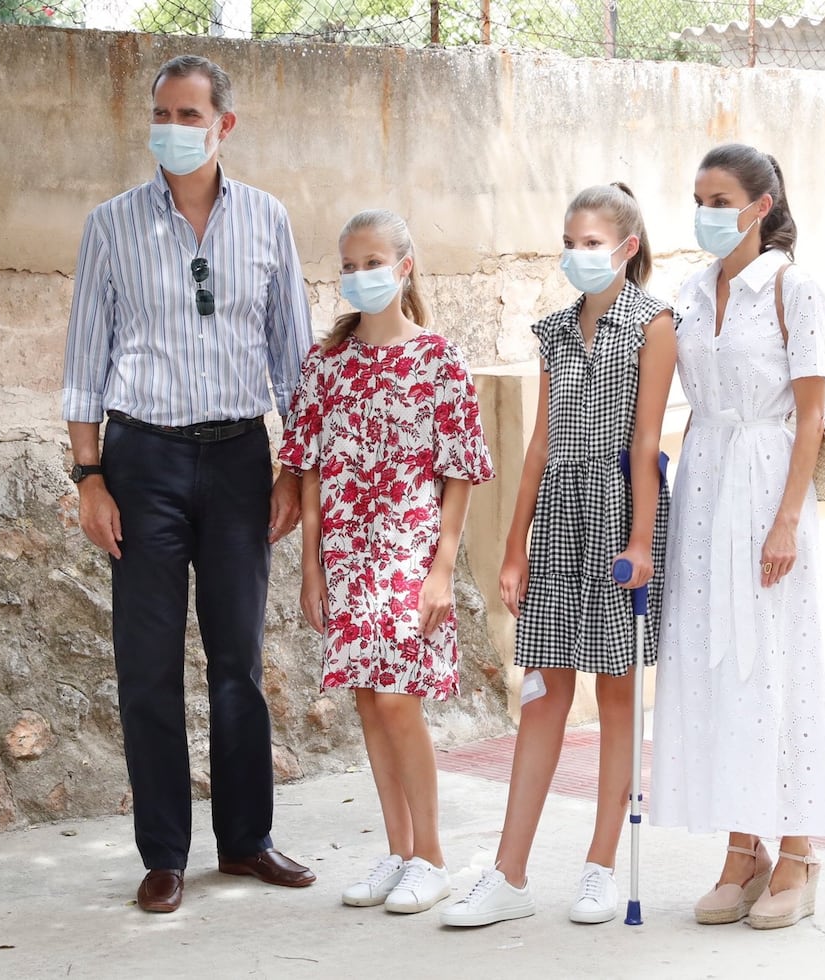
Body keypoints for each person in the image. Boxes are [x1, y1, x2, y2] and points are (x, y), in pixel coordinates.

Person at [61, 54, 317, 914]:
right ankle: (164, 853)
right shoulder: (110, 226)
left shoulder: (269, 221)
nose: (169, 126)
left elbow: (295, 359)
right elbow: (83, 363)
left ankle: (246, 842)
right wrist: (90, 477)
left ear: (223, 126)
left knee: (238, 659)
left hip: (242, 461)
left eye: (187, 113)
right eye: (160, 111)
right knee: (146, 665)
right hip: (142, 462)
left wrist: (294, 472)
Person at [440, 183, 676, 927]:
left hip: (616, 509)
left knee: (612, 693)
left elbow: (645, 442)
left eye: (592, 242)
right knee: (543, 691)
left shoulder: (655, 324)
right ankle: (508, 875)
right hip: (560, 516)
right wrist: (516, 547)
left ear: (627, 247)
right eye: (569, 242)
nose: (578, 255)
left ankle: (601, 866)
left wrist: (640, 542)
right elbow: (538, 445)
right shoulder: (551, 331)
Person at [279, 209, 494, 915]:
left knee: (399, 699)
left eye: (371, 261)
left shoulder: (439, 358)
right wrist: (312, 568)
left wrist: (442, 567)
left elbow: (461, 469)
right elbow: (307, 471)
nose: (357, 276)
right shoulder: (327, 364)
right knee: (369, 700)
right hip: (346, 550)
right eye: (347, 264)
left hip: (408, 547)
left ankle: (432, 856)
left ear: (403, 268)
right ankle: (400, 851)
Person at [650, 143, 825, 930]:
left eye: (720, 197)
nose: (706, 211)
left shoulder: (795, 290)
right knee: (715, 665)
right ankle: (741, 849)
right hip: (705, 482)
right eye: (698, 196)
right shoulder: (690, 294)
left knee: (778, 660)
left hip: (768, 481)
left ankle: (797, 850)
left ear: (761, 206)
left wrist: (787, 517)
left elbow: (809, 414)